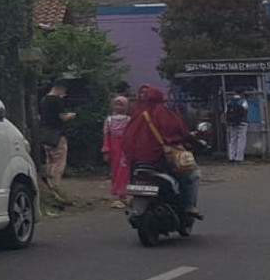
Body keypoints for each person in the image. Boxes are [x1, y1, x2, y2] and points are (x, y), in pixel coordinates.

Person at [124, 84, 204, 219]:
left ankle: (133, 201)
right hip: (161, 159)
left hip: (138, 161)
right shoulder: (163, 112)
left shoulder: (136, 114)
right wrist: (193, 141)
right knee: (192, 174)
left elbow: (127, 139)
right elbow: (180, 131)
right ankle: (189, 205)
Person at [38, 81, 76, 190]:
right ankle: (55, 185)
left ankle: (49, 183)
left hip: (46, 133)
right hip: (57, 134)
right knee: (59, 161)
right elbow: (62, 117)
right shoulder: (57, 100)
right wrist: (70, 116)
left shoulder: (44, 100)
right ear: (60, 88)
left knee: (49, 160)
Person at [101, 95, 133, 207]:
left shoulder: (128, 120)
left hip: (125, 148)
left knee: (124, 170)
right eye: (116, 104)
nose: (118, 107)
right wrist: (106, 150)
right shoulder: (109, 120)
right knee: (115, 170)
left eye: (121, 104)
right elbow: (106, 136)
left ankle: (123, 195)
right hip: (114, 148)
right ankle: (119, 195)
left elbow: (131, 135)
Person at [223, 91, 251, 162]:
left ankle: (231, 156)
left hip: (232, 123)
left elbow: (226, 112)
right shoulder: (243, 101)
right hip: (242, 123)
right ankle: (239, 157)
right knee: (241, 139)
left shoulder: (229, 102)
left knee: (232, 139)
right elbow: (246, 110)